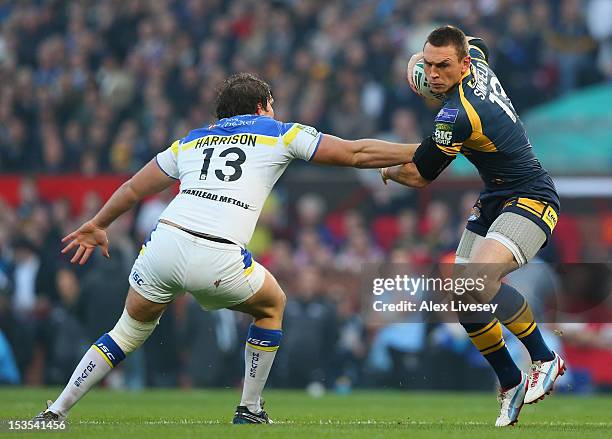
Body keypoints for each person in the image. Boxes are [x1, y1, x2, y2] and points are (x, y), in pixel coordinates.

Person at [33, 72, 414, 424]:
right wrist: (424, 149)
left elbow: (134, 187)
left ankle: (56, 410)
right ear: (264, 104)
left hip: (164, 242)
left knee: (126, 331)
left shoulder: (191, 140)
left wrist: (99, 223)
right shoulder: (280, 132)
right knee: (272, 305)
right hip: (217, 254)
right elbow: (355, 153)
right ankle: (249, 408)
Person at [380, 26, 565, 427]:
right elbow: (478, 41)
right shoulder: (475, 59)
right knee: (463, 295)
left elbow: (420, 176)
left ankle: (545, 358)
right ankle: (510, 382)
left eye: (442, 66)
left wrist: (388, 170)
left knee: (479, 281)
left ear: (462, 65)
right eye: (428, 65)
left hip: (531, 193)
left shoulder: (457, 115)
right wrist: (423, 66)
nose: (433, 74)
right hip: (496, 195)